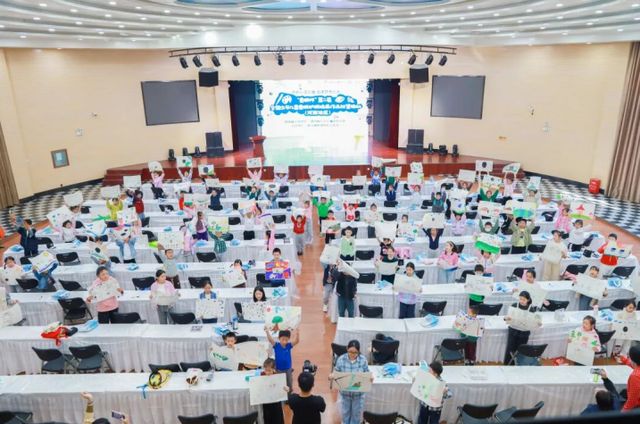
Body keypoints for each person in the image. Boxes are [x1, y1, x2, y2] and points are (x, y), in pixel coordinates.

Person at [332, 340, 370, 424]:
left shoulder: (363, 360)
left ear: (358, 351)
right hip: (345, 394)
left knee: (356, 416)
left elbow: (367, 373)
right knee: (345, 414)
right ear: (347, 349)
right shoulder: (341, 359)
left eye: (355, 352)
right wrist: (332, 375)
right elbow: (336, 372)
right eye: (350, 351)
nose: (352, 354)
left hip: (358, 395)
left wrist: (370, 378)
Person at [503, 291, 540, 365]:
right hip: (513, 330)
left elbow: (536, 319)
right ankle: (508, 365)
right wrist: (506, 318)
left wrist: (538, 323)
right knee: (510, 349)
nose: (521, 301)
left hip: (524, 333)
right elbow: (507, 317)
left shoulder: (531, 309)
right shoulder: (514, 305)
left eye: (523, 299)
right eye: (520, 299)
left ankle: (519, 365)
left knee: (521, 350)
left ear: (528, 300)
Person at [260, 358, 285, 424]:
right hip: (266, 402)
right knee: (267, 418)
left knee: (277, 418)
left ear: (274, 369)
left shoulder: (277, 377)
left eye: (269, 370)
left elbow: (282, 388)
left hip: (275, 402)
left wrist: (286, 389)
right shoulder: (261, 375)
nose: (267, 373)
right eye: (266, 370)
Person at [618, 345, 640, 410]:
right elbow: (635, 365)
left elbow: (632, 400)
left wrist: (623, 412)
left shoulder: (635, 377)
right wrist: (624, 360)